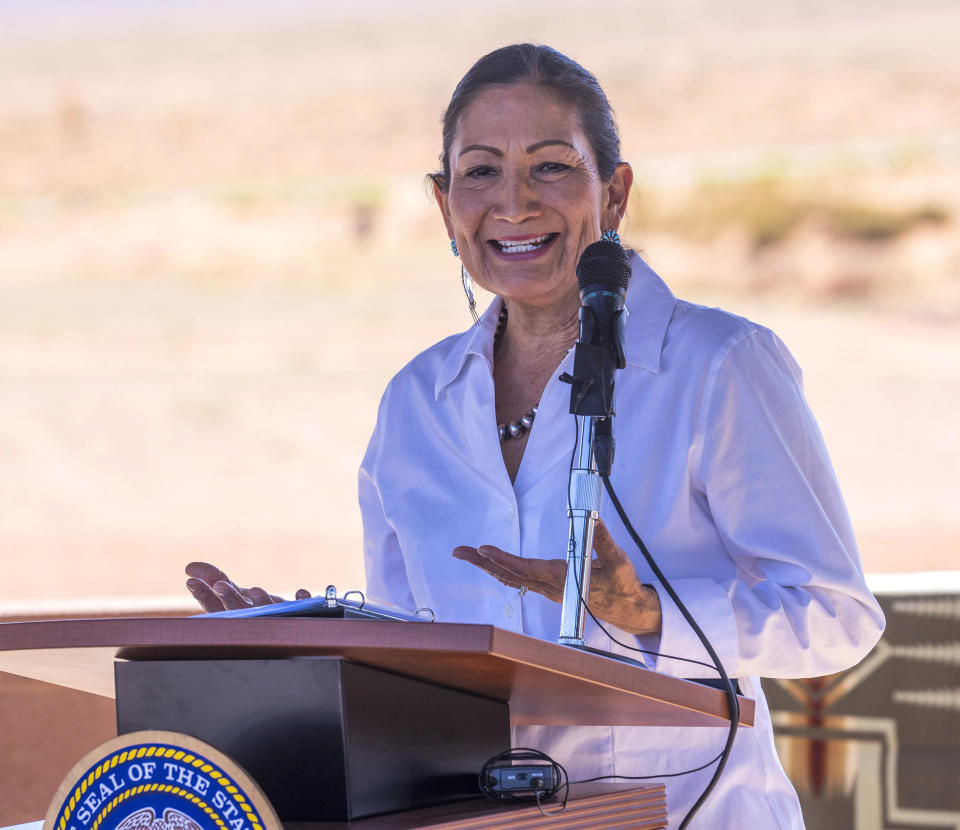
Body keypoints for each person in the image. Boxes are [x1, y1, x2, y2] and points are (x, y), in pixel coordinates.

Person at [188, 44, 885, 829]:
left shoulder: (717, 364)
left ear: (614, 193)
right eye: (480, 171)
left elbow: (835, 619)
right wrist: (310, 644)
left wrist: (646, 612)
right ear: (444, 202)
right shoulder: (415, 403)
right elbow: (418, 657)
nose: (513, 203)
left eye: (551, 166)